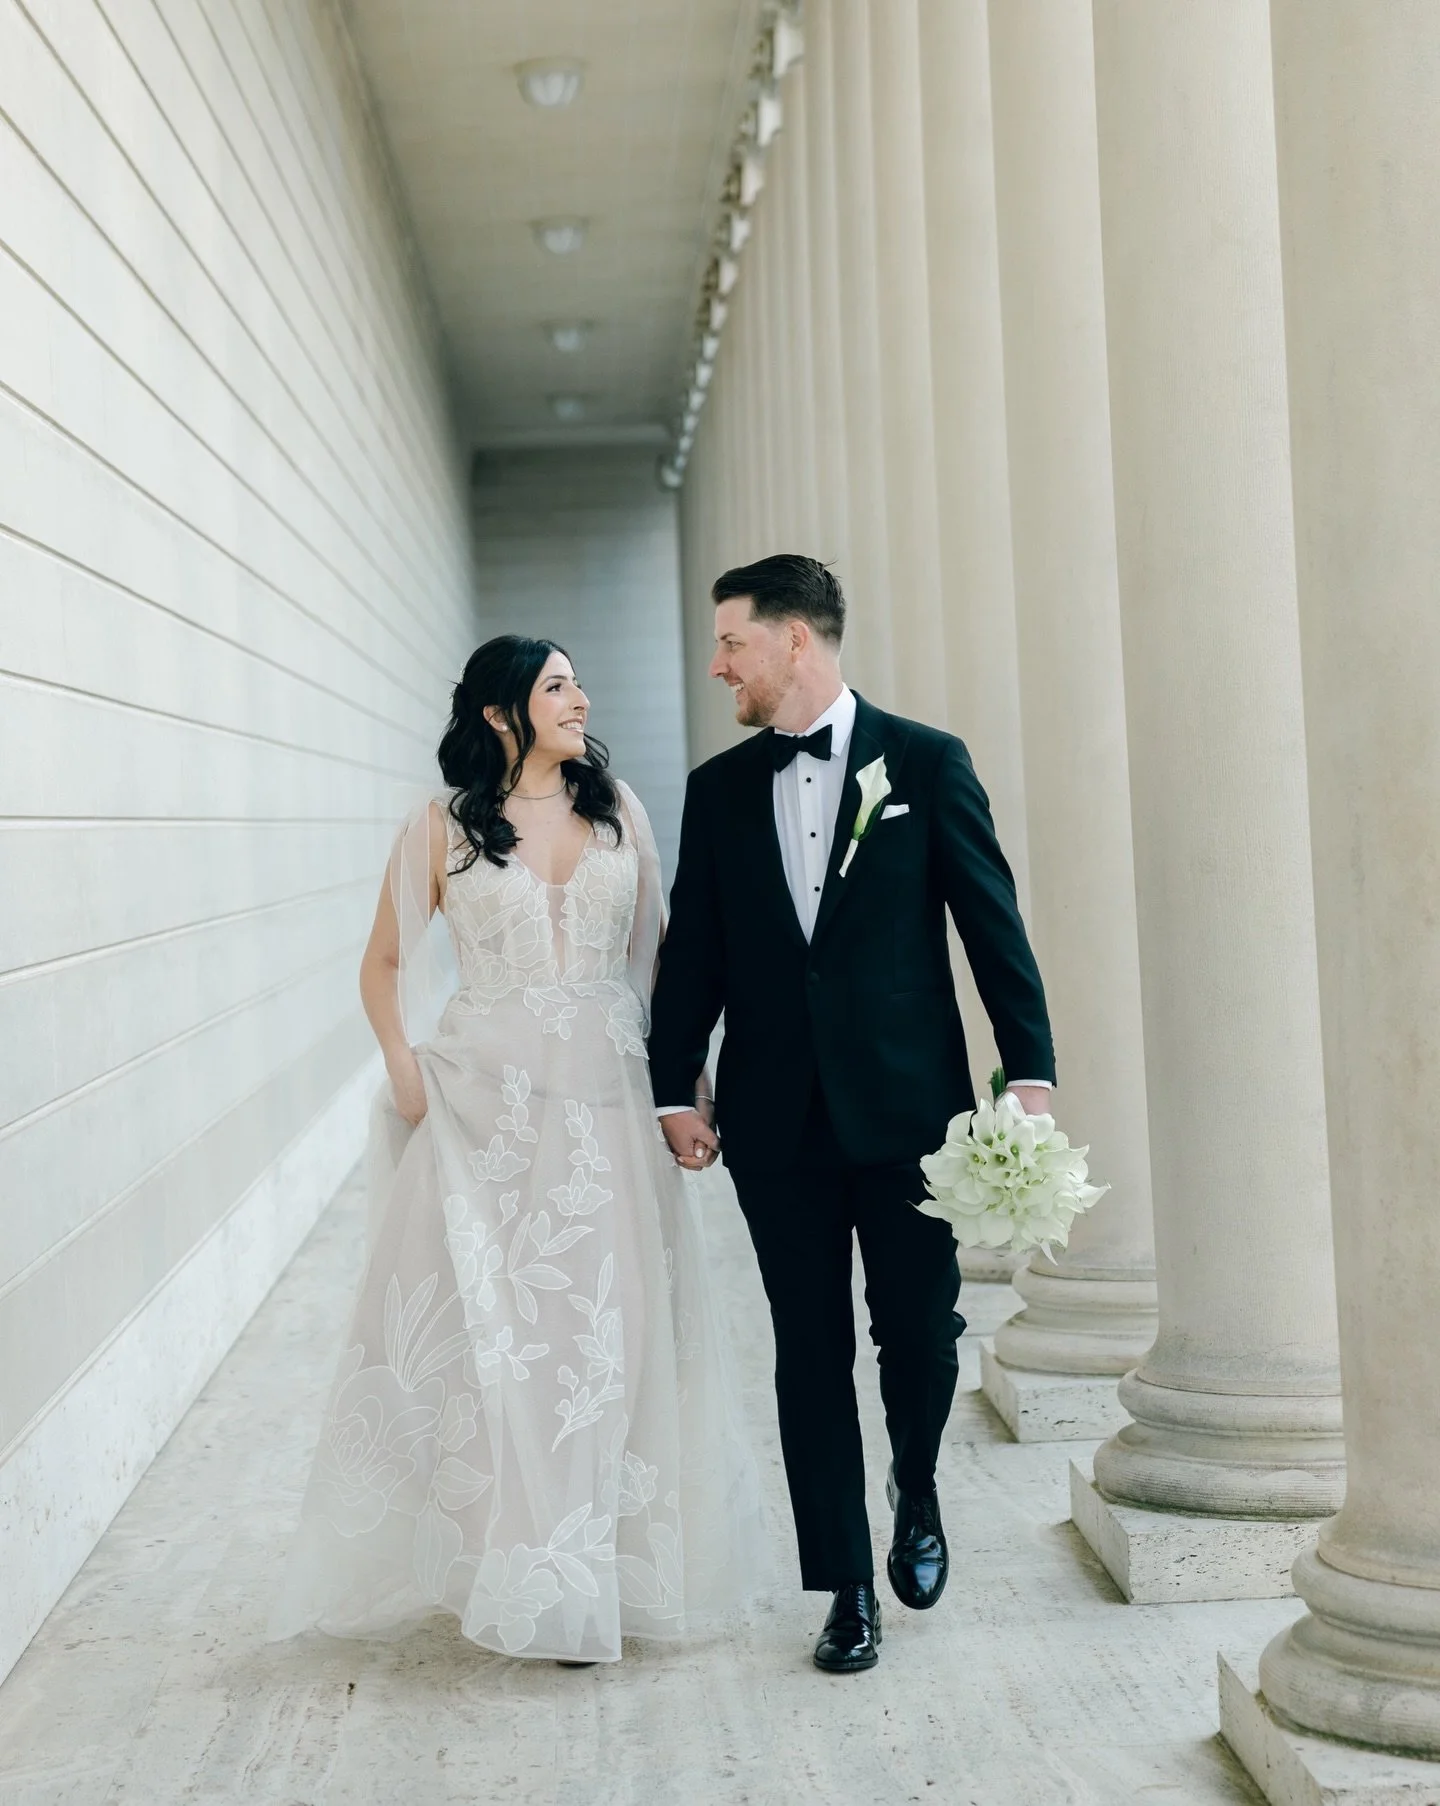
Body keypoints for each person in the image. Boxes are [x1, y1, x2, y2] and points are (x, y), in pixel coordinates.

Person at [271, 636, 767, 1663]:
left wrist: (688, 1086)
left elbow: (661, 957)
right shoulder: (441, 828)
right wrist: (405, 1071)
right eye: (556, 685)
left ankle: (596, 1571)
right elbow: (384, 962)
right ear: (502, 713)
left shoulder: (617, 808)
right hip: (481, 1110)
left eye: (579, 680)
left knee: (607, 1335)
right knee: (503, 1341)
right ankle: (525, 1567)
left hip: (606, 1105)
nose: (580, 697)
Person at [648, 556, 1054, 1673]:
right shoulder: (720, 790)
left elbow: (992, 926)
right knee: (808, 1350)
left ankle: (915, 1488)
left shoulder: (925, 762)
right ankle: (844, 1590)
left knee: (920, 1336)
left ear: (795, 642)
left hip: (910, 1112)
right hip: (774, 1124)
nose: (719, 662)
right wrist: (672, 1084)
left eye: (731, 641)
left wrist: (1030, 1073)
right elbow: (699, 954)